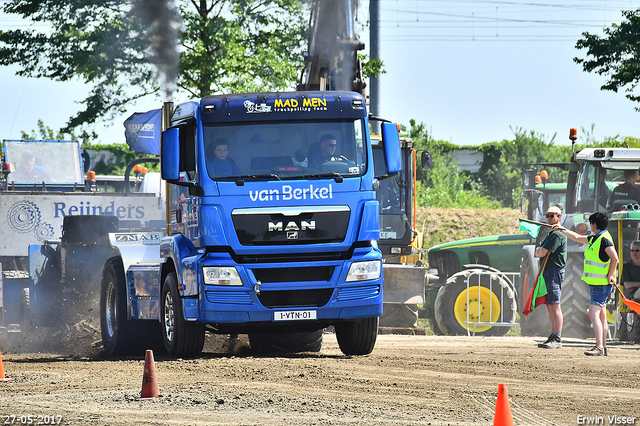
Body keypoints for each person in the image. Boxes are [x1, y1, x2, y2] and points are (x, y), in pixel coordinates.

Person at [554, 211, 619, 356]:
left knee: (593, 313)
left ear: (594, 224)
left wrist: (610, 276)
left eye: (590, 223)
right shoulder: (595, 238)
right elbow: (577, 237)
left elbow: (615, 258)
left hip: (601, 284)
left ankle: (599, 347)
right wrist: (562, 229)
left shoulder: (603, 239)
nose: (590, 226)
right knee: (601, 315)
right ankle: (603, 346)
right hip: (596, 283)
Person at [534, 206, 567, 349]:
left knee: (554, 304)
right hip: (548, 271)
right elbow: (539, 252)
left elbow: (541, 252)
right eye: (547, 215)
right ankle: (553, 335)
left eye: (552, 216)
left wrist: (539, 251)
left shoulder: (557, 235)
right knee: (550, 305)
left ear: (559, 217)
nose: (549, 218)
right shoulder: (551, 234)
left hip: (553, 271)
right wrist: (539, 251)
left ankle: (557, 337)